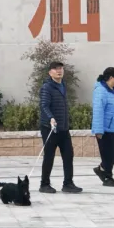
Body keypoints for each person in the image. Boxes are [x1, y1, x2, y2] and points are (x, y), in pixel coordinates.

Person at [38, 62, 82, 194]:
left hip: (63, 128)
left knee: (68, 155)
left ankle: (68, 184)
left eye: (61, 68)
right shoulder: (47, 87)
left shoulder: (62, 85)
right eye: (56, 69)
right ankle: (44, 184)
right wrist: (51, 117)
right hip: (49, 128)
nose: (59, 71)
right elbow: (44, 105)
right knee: (49, 156)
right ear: (50, 72)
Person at [91, 67, 114, 187]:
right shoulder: (100, 91)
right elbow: (98, 111)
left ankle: (101, 168)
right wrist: (98, 130)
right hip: (105, 129)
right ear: (111, 78)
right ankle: (107, 177)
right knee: (108, 154)